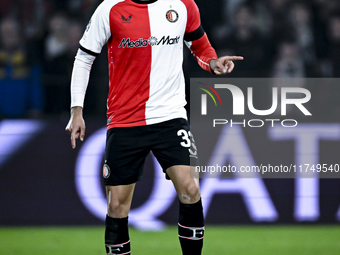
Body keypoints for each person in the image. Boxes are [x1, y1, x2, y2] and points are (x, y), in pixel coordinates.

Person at [65, 0, 243, 254]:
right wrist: (76, 110)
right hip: (125, 120)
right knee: (117, 206)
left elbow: (199, 45)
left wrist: (212, 63)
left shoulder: (183, 5)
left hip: (170, 116)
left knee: (191, 188)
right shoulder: (110, 8)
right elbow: (84, 58)